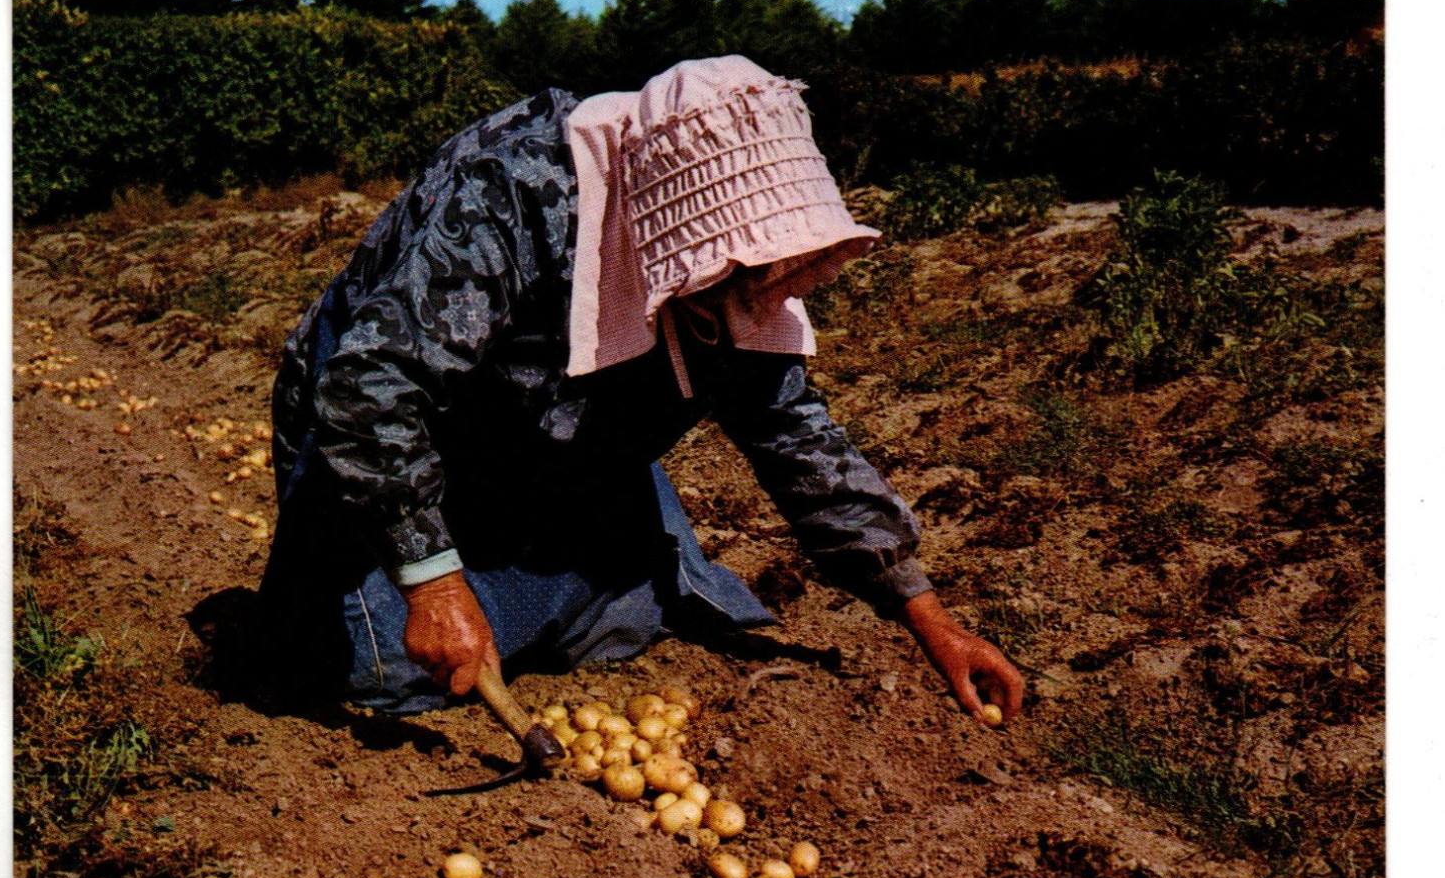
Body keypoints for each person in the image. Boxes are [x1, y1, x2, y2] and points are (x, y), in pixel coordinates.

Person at [261, 55, 1024, 726]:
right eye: (736, 269)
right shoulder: (512, 196)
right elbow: (374, 386)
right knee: (372, 663)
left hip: (554, 429)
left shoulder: (736, 279)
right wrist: (432, 584)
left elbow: (790, 430)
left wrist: (928, 616)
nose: (754, 285)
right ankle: (423, 583)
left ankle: (530, 583)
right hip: (389, 417)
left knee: (644, 610)